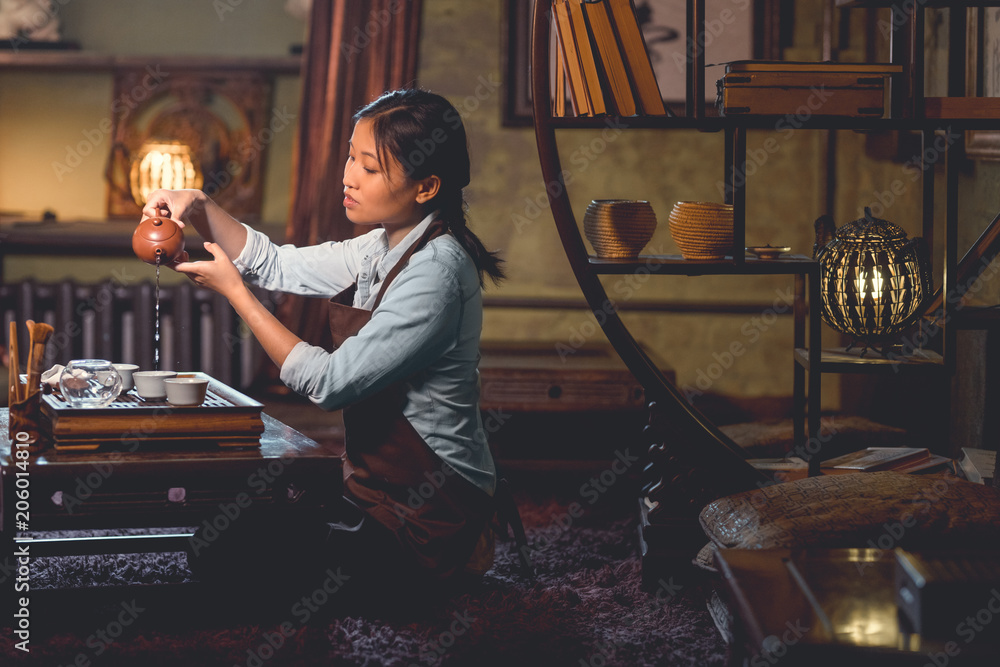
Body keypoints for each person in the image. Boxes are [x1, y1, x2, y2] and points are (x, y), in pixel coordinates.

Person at [141, 89, 511, 599]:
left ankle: (455, 560)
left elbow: (330, 383)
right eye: (350, 157)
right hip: (372, 490)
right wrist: (201, 205)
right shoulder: (382, 244)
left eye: (370, 167)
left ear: (426, 186)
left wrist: (234, 294)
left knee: (227, 557)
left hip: (431, 508)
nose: (349, 176)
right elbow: (276, 263)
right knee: (223, 527)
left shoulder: (436, 273)